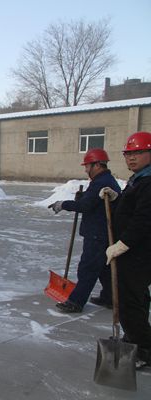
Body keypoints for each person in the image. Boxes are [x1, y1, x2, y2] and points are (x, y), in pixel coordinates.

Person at [48, 149, 121, 313]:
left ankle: (76, 302)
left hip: (98, 234)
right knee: (103, 267)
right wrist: (84, 196)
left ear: (97, 165)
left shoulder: (101, 182)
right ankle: (109, 297)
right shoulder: (104, 180)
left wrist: (63, 204)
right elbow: (92, 201)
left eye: (87, 166)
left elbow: (85, 206)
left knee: (88, 267)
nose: (86, 170)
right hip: (102, 232)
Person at [101, 131, 151, 368]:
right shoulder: (138, 180)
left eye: (138, 152)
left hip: (139, 254)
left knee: (129, 302)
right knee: (136, 299)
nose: (131, 158)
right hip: (133, 253)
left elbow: (143, 219)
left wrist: (123, 244)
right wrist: (115, 198)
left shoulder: (148, 182)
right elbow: (130, 209)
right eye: (128, 153)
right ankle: (137, 339)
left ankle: (143, 349)